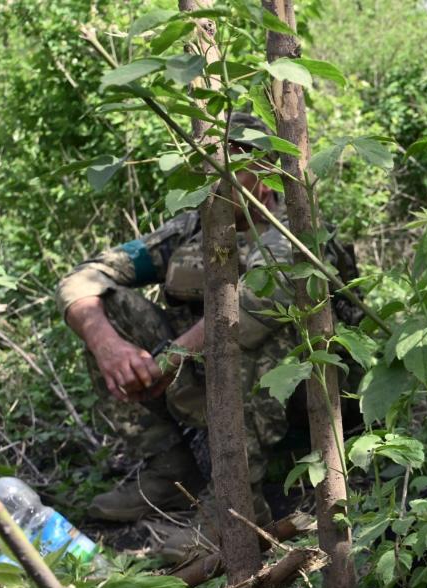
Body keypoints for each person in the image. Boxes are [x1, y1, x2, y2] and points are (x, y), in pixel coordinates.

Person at [57, 113, 349, 556]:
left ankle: (236, 509)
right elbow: (85, 276)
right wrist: (108, 344)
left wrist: (170, 359)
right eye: (203, 169)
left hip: (312, 402)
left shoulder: (297, 226)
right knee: (109, 309)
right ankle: (173, 474)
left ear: (263, 172)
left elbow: (253, 309)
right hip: (205, 376)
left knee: (252, 331)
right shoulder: (196, 224)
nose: (209, 181)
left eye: (225, 170)